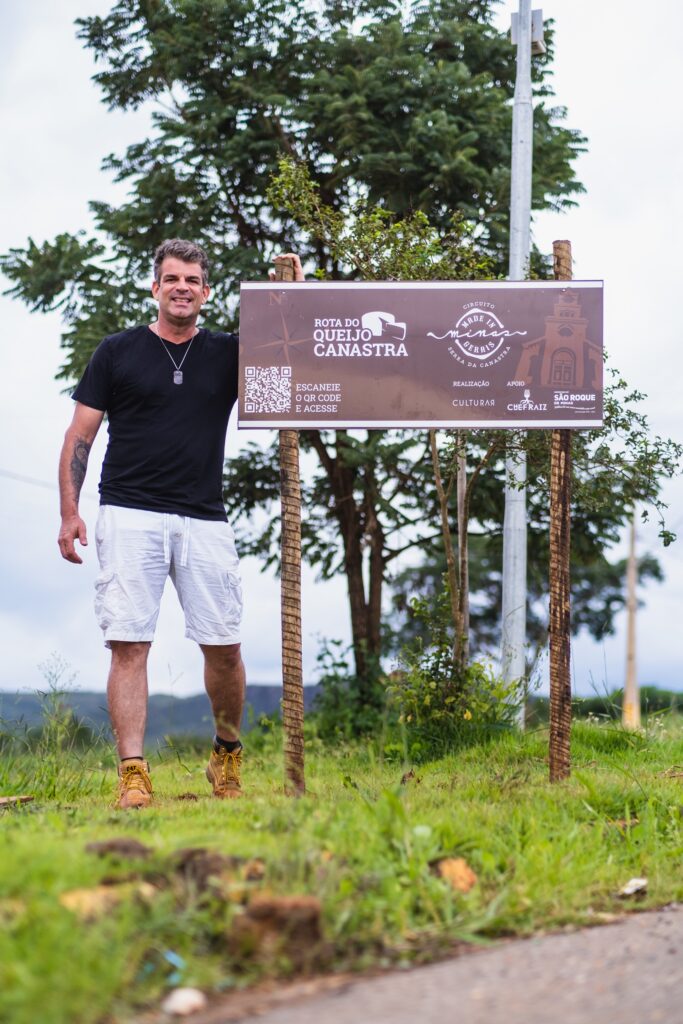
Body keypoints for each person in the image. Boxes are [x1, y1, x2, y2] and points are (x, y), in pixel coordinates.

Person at [57, 239, 304, 809]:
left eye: (192, 280)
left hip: (204, 518)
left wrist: (287, 300)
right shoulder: (117, 352)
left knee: (224, 646)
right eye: (172, 278)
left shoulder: (228, 353)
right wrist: (70, 512)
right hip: (127, 511)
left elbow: (281, 388)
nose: (182, 287)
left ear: (207, 292)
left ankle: (226, 754)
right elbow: (79, 437)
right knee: (129, 643)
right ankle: (133, 772)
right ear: (155, 287)